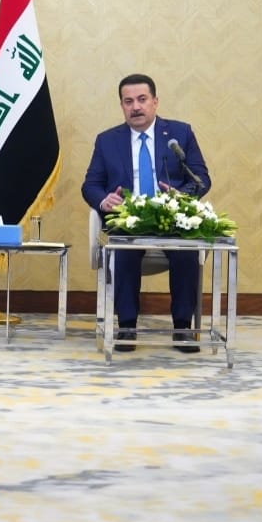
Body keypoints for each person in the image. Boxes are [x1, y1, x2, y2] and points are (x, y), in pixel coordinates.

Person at [81, 73, 210, 353]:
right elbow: (91, 185)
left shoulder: (180, 134)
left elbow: (201, 178)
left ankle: (183, 329)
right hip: (129, 217)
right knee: (123, 249)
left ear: (155, 101)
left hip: (171, 217)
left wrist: (182, 196)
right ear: (122, 105)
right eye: (128, 102)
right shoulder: (107, 141)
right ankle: (127, 326)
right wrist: (104, 200)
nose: (136, 107)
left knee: (186, 252)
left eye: (142, 99)